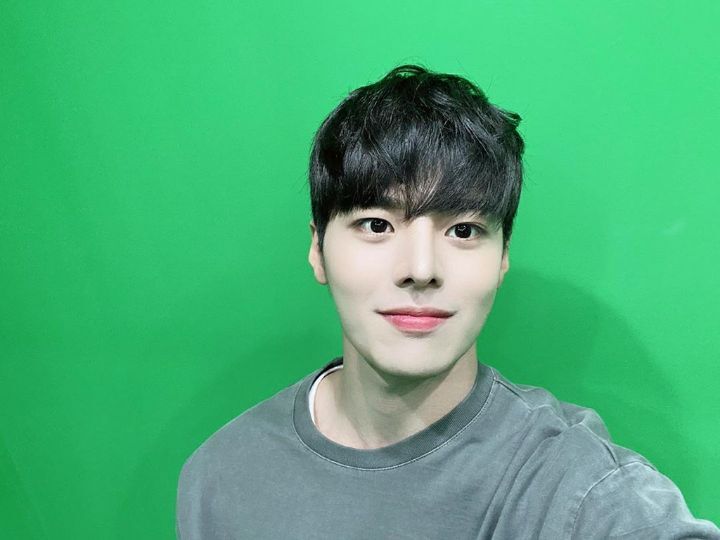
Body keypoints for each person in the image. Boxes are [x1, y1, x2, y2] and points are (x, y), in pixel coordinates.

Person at [175, 64, 719, 539]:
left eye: (463, 230)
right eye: (376, 224)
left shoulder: (577, 491)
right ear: (318, 250)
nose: (421, 269)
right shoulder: (220, 476)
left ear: (502, 258)